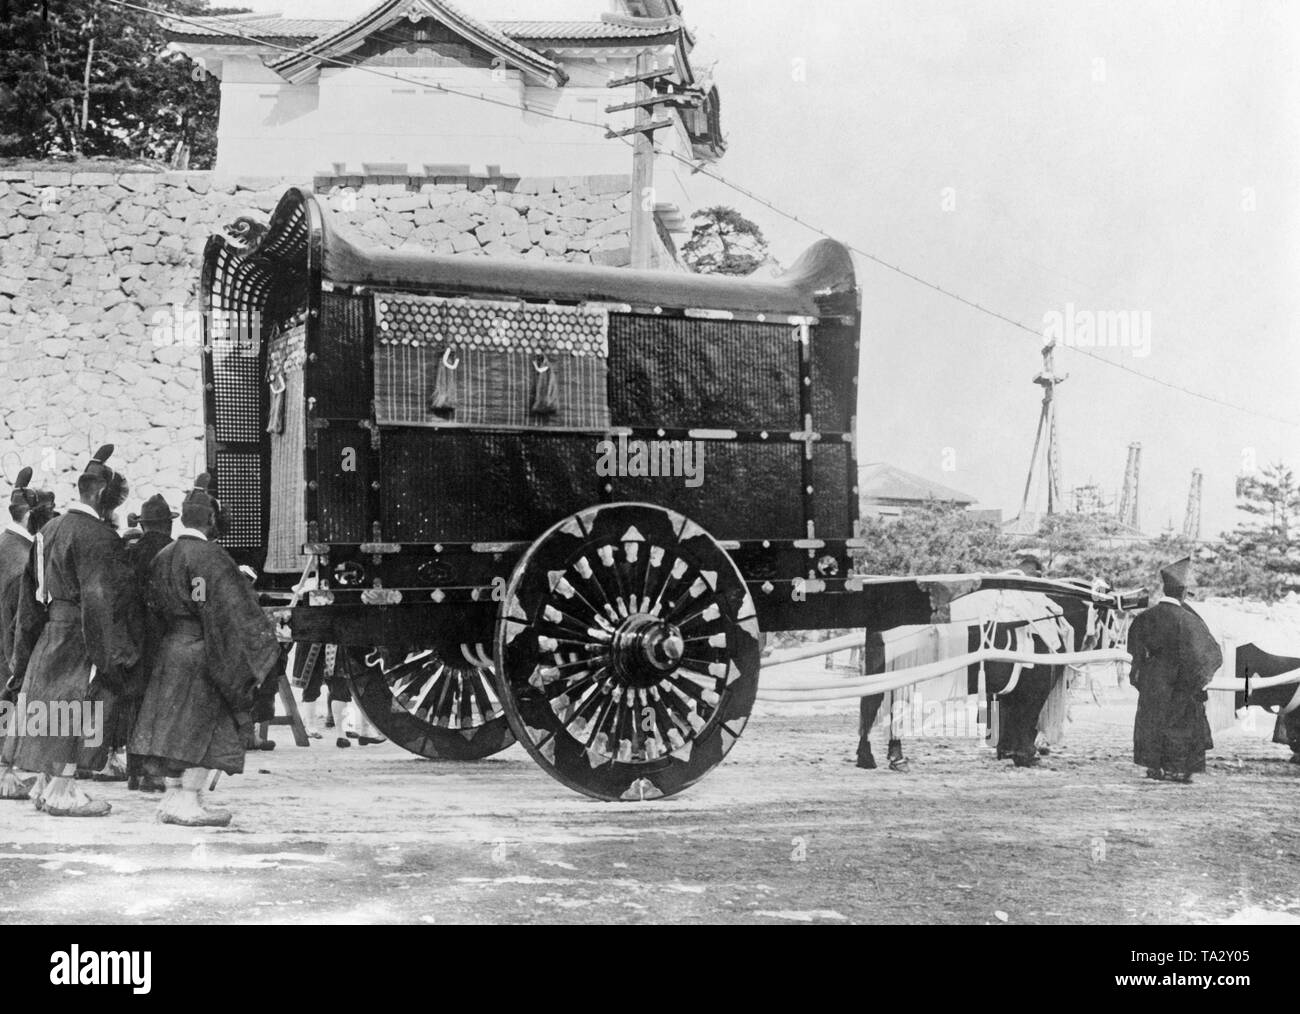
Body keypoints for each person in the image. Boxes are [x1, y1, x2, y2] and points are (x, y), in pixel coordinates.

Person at [130, 474, 280, 827]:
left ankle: (173, 797)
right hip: (202, 651)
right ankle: (187, 800)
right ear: (210, 521)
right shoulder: (211, 558)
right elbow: (225, 611)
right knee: (201, 729)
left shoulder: (164, 555)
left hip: (170, 649)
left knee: (171, 729)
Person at [10, 445, 141, 817]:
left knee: (54, 710)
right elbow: (100, 603)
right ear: (101, 496)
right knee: (81, 710)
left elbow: (30, 600)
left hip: (51, 632)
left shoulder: (47, 530)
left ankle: (48, 785)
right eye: (113, 502)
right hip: (83, 636)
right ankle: (63, 791)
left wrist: (24, 655)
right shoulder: (100, 538)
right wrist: (111, 657)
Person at [1127, 557, 1222, 783]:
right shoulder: (1189, 621)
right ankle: (1176, 769)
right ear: (1184, 592)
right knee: (1180, 724)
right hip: (1182, 681)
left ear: (1165, 589)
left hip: (1153, 679)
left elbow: (1134, 653)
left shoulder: (1144, 618)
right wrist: (1197, 681)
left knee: (1152, 721)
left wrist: (1143, 678)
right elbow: (1210, 654)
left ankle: (1154, 767)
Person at [0, 467, 56, 800]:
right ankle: (8, 774)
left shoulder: (6, 545)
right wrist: (17, 668)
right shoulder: (21, 556)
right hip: (7, 655)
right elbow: (17, 623)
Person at [121, 493, 178, 793]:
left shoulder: (130, 551)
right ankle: (154, 773)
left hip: (134, 639)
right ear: (167, 525)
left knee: (137, 703)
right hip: (163, 638)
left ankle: (135, 771)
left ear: (144, 526)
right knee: (161, 706)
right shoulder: (171, 551)